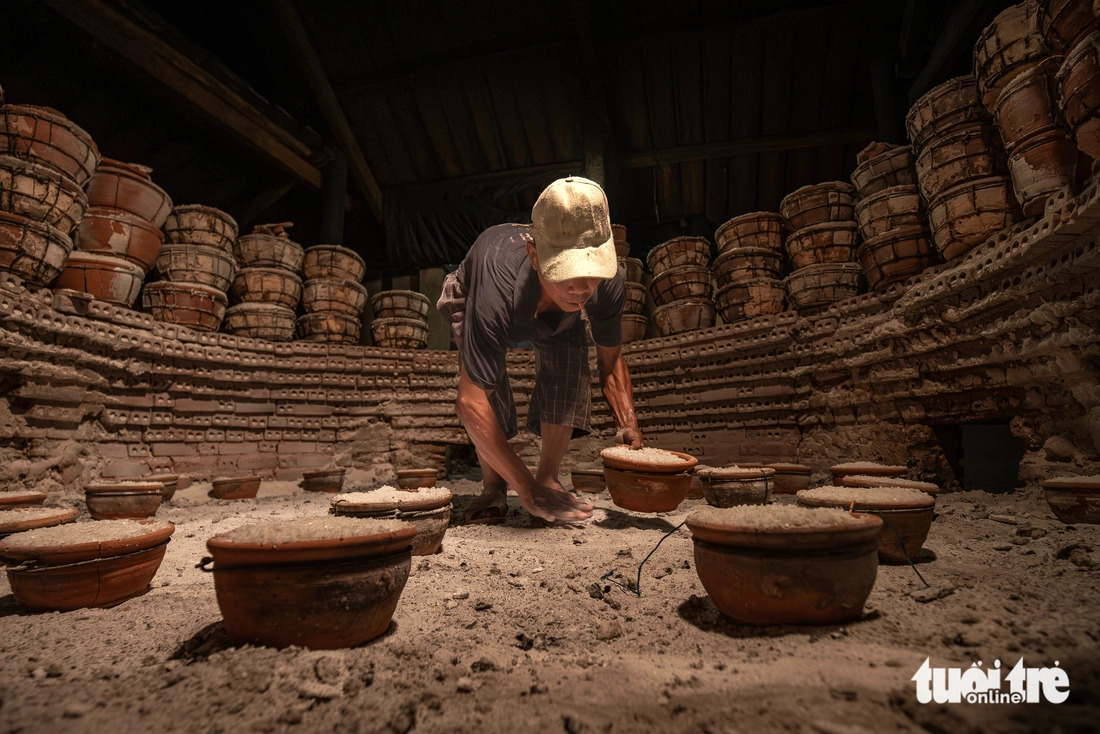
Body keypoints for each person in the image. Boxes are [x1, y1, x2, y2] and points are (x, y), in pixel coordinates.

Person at [437, 176, 644, 524]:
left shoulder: (605, 286)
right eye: (566, 274)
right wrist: (525, 490)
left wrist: (628, 423)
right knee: (489, 386)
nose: (580, 289)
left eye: (590, 274)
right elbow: (471, 402)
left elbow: (610, 362)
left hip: (550, 311)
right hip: (479, 292)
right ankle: (494, 485)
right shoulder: (498, 281)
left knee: (569, 363)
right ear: (535, 255)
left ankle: (549, 477)